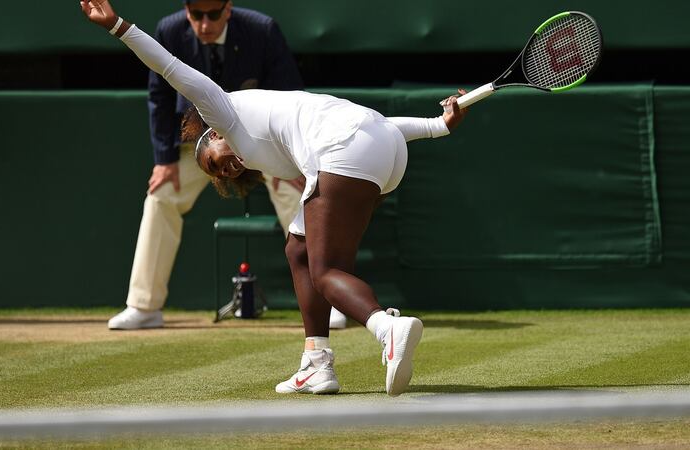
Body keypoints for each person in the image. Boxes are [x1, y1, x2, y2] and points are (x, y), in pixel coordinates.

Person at [80, 0, 467, 396]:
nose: (223, 170)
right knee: (298, 251)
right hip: (384, 149)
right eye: (218, 175)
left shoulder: (222, 112)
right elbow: (377, 128)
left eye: (213, 162)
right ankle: (316, 363)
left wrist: (118, 27)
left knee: (325, 271)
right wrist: (438, 126)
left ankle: (387, 327)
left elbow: (171, 69)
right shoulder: (268, 140)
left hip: (349, 149)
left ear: (212, 136)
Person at [106, 0, 349, 330]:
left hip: (263, 141)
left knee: (302, 193)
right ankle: (144, 306)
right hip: (201, 145)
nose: (205, 24)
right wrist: (164, 161)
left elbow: (293, 97)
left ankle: (331, 298)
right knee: (161, 195)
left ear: (229, 9)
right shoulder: (169, 30)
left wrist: (295, 159)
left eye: (213, 15)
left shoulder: (262, 30)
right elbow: (159, 98)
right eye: (196, 16)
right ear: (186, 11)